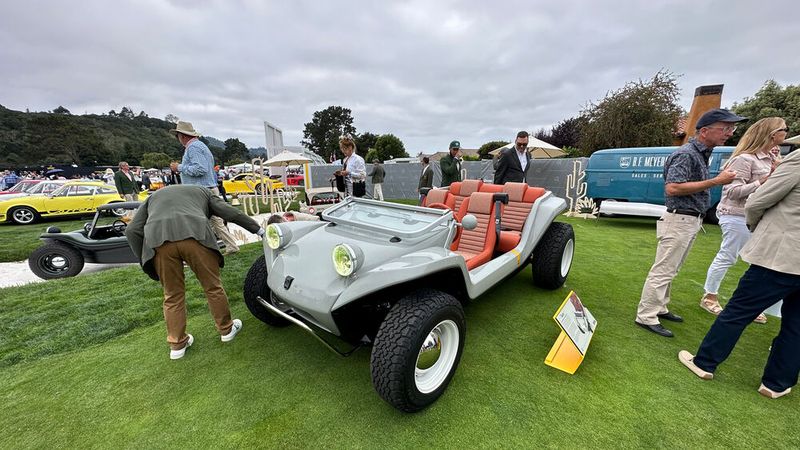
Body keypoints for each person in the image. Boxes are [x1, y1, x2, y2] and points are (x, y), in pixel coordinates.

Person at [679, 145, 800, 399]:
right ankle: (776, 383)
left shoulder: (797, 160)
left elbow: (758, 200)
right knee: (796, 326)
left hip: (781, 255)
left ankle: (704, 362)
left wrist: (755, 226)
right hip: (787, 255)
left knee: (738, 312)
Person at [635, 108, 744, 337]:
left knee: (671, 269)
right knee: (663, 270)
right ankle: (646, 316)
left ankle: (660, 307)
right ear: (704, 131)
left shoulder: (701, 153)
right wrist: (717, 181)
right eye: (725, 128)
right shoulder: (687, 154)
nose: (730, 133)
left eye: (731, 129)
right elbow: (673, 187)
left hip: (689, 218)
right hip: (680, 218)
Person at [125, 185, 264, 360]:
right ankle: (226, 330)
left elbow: (131, 230)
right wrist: (259, 230)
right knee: (213, 287)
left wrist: (146, 258)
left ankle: (177, 346)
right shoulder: (204, 191)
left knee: (172, 295)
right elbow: (230, 212)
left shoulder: (154, 196)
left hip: (159, 244)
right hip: (196, 235)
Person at [700, 118, 787, 324]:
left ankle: (748, 305)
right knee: (728, 255)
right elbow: (732, 192)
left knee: (757, 262)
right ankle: (709, 296)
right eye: (784, 129)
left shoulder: (773, 159)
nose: (787, 132)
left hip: (762, 218)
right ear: (772, 133)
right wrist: (763, 181)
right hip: (737, 215)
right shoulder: (745, 159)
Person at [169, 121, 240, 255]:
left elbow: (200, 169)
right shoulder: (201, 146)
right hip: (208, 188)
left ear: (182, 136)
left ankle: (197, 252)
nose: (178, 139)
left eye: (177, 136)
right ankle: (231, 246)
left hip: (199, 191)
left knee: (194, 222)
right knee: (215, 222)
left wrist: (179, 167)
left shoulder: (193, 148)